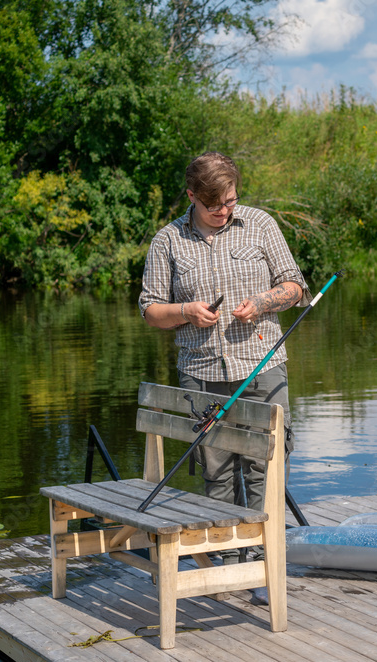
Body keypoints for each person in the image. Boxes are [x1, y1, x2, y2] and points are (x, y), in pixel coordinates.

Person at [139, 151, 310, 563]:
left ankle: (263, 559)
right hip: (201, 374)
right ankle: (227, 561)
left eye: (229, 201)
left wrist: (263, 302)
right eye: (213, 205)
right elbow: (150, 310)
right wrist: (186, 312)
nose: (223, 211)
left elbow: (296, 287)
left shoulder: (260, 225)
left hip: (262, 367)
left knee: (264, 469)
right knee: (215, 472)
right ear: (192, 196)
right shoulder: (168, 240)